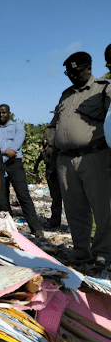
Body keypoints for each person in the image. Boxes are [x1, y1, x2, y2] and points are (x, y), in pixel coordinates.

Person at [52, 51, 111, 273]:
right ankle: (80, 252)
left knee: (101, 208)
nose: (72, 76)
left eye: (76, 72)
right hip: (65, 160)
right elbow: (57, 124)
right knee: (75, 209)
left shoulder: (104, 88)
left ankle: (103, 254)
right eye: (68, 73)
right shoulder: (65, 95)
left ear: (89, 68)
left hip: (94, 156)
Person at [0, 104, 44, 237]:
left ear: (9, 113)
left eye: (4, 112)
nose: (1, 115)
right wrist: (4, 152)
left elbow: (16, 145)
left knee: (23, 195)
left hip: (15, 164)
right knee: (2, 197)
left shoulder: (18, 127)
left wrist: (4, 154)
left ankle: (36, 229)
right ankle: (7, 228)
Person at [33, 124, 63, 229]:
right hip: (50, 167)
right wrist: (36, 165)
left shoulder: (64, 129)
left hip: (60, 166)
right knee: (55, 195)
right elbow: (44, 152)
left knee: (64, 195)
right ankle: (55, 221)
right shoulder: (49, 130)